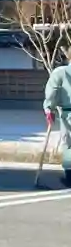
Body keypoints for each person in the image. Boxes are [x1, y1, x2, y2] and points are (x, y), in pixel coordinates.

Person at [42, 56, 71, 187]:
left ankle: (70, 177)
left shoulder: (61, 72)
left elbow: (52, 92)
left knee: (69, 144)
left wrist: (49, 108)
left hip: (68, 113)